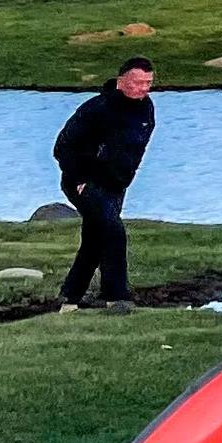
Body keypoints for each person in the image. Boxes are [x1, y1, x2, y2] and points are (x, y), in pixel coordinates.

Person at [52, 60, 157, 311]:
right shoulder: (96, 109)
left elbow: (133, 148)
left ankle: (70, 298)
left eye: (148, 83)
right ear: (121, 81)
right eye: (138, 82)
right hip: (85, 182)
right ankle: (117, 298)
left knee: (95, 239)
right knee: (113, 232)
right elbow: (63, 147)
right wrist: (79, 178)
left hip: (116, 184)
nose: (144, 88)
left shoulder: (146, 109)